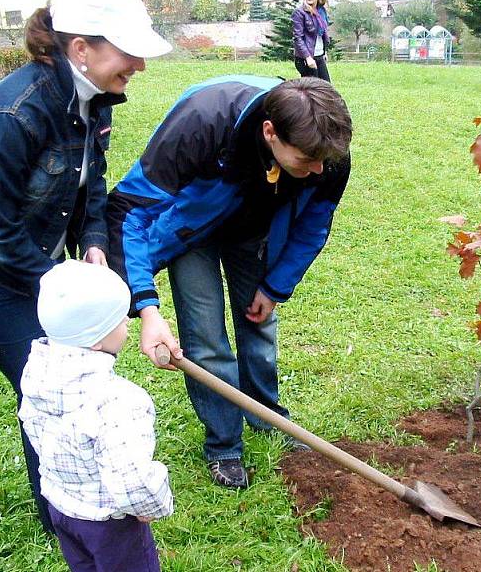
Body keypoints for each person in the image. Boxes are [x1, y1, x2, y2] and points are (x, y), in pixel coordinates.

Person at [0, 0, 170, 533]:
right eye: (126, 49)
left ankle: (75, 495)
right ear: (80, 48)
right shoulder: (9, 114)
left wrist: (91, 246)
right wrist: (65, 283)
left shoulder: (94, 102)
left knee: (71, 376)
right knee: (45, 378)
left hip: (46, 264)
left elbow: (91, 189)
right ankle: (66, 511)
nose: (138, 63)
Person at [107, 76, 352, 489]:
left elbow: (314, 225)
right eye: (306, 159)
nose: (317, 170)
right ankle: (224, 445)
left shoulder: (327, 153)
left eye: (323, 162)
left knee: (259, 326)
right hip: (191, 234)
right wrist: (147, 306)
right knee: (205, 340)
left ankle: (267, 418)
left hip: (255, 233)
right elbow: (131, 210)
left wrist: (275, 287)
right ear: (269, 132)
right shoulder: (201, 122)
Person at [19, 261, 173, 572]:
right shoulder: (117, 400)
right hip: (108, 525)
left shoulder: (36, 372)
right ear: (96, 340)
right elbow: (132, 480)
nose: (127, 325)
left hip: (62, 510)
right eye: (118, 320)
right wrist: (153, 505)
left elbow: (33, 428)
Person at [292, 0, 332, 82]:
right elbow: (298, 38)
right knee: (312, 91)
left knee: (326, 87)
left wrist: (324, 52)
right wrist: (308, 58)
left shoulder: (321, 11)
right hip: (306, 59)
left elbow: (322, 34)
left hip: (319, 56)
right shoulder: (299, 13)